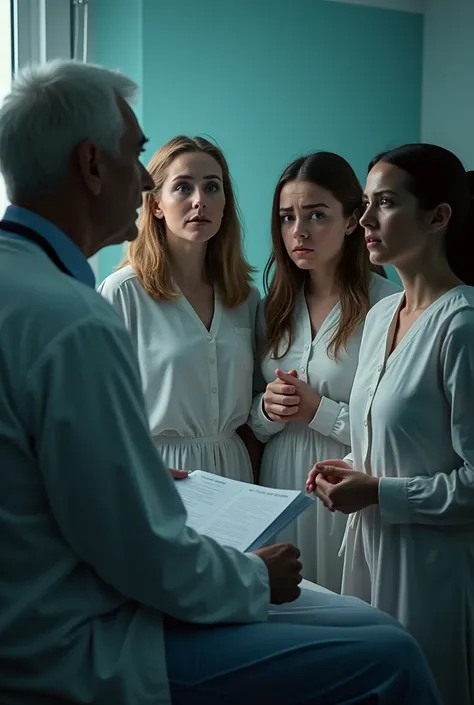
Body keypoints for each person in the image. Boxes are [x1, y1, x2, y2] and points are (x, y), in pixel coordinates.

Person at [0, 61, 443, 705]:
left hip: (192, 512)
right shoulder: (78, 316)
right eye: (139, 157)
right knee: (389, 651)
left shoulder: (34, 292)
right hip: (76, 639)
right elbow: (134, 547)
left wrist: (140, 478)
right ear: (93, 166)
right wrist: (249, 580)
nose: (147, 181)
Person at [307, 143, 474, 705]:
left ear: (439, 216)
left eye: (385, 203)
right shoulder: (381, 315)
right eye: (364, 205)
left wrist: (379, 492)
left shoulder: (462, 329)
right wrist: (350, 468)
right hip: (367, 554)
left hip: (434, 569)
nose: (364, 222)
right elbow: (394, 442)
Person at [250, 152, 400, 591]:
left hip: (345, 483)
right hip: (279, 482)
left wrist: (316, 410)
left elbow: (393, 432)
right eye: (286, 217)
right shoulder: (272, 307)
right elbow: (252, 424)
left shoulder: (387, 305)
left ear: (353, 220)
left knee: (348, 606)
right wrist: (266, 408)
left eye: (316, 215)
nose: (298, 231)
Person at [99, 136, 261, 482]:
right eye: (183, 188)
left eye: (212, 187)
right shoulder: (124, 294)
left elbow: (254, 411)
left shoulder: (245, 298)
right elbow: (95, 409)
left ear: (224, 204)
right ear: (156, 204)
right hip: (157, 469)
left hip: (233, 470)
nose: (200, 200)